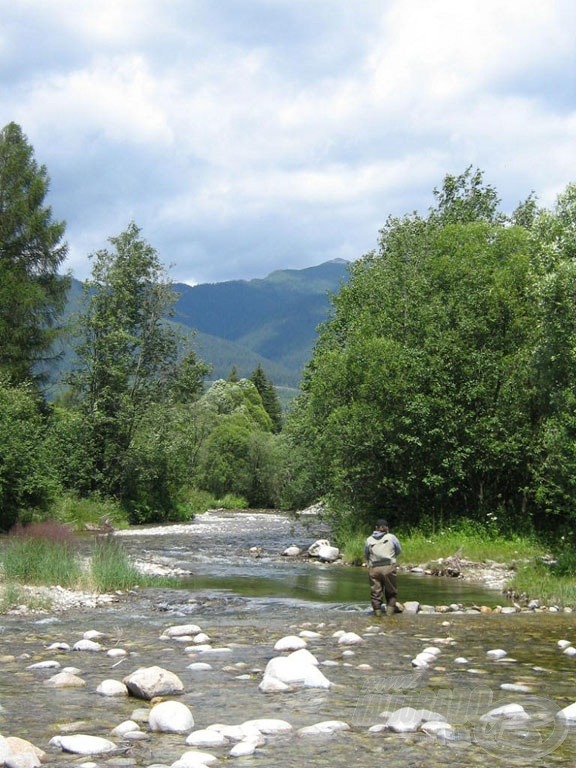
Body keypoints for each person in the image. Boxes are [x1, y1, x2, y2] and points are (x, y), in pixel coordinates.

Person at [364, 518, 402, 617]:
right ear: (387, 528)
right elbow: (398, 550)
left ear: (376, 528)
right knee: (391, 592)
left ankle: (377, 615)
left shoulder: (369, 539)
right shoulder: (391, 537)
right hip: (389, 567)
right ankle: (389, 615)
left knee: (376, 593)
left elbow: (367, 555)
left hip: (374, 569)